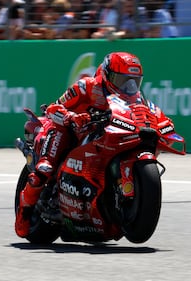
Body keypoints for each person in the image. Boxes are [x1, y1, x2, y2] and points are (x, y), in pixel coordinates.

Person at [15, 51, 145, 238]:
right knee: (44, 169)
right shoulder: (87, 86)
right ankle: (23, 217)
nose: (128, 86)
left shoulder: (135, 98)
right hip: (66, 130)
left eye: (134, 81)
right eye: (122, 80)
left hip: (103, 137)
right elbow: (54, 107)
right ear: (108, 75)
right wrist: (71, 117)